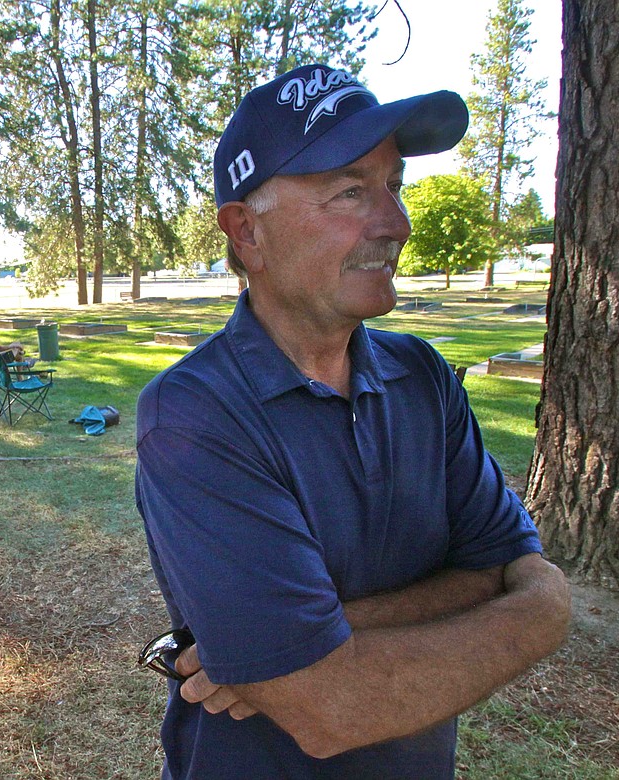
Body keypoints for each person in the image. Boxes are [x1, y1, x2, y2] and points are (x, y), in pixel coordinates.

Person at [134, 63, 570, 779]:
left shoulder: (423, 378)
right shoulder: (193, 414)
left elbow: (504, 565)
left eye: (394, 186)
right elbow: (333, 709)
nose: (395, 223)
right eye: (350, 191)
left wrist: (328, 633)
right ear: (247, 232)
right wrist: (539, 610)